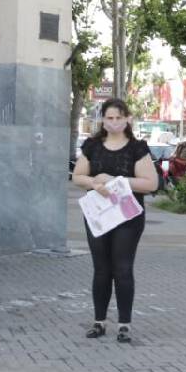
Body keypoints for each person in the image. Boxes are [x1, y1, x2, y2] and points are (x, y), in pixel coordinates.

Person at [71, 98, 159, 343]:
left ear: (127, 119)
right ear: (103, 120)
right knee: (101, 270)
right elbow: (78, 176)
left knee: (122, 268)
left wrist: (116, 180)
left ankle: (124, 324)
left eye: (119, 117)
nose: (114, 122)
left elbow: (151, 184)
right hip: (97, 215)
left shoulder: (137, 148)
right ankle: (99, 322)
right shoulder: (92, 145)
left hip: (127, 218)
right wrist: (93, 183)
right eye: (109, 118)